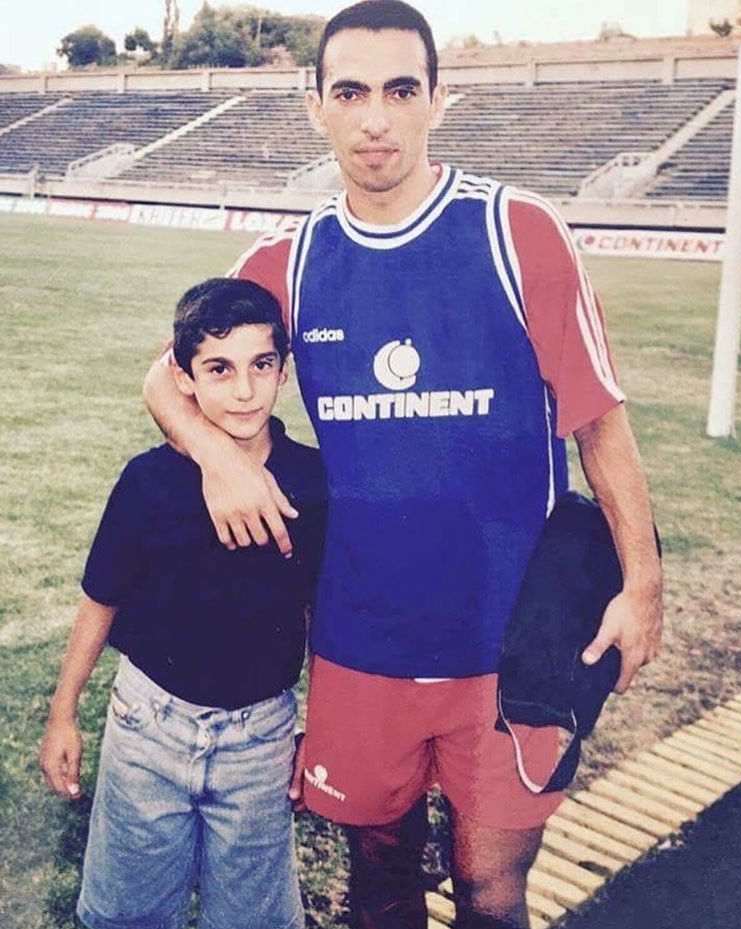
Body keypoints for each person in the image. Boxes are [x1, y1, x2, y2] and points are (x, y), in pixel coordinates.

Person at [143, 3, 663, 927]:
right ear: (317, 107)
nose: (375, 117)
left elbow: (599, 424)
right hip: (359, 643)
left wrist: (644, 585)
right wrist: (217, 458)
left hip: (508, 646)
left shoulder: (518, 233)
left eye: (399, 90)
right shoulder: (292, 259)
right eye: (350, 92)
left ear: (437, 99)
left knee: (491, 890)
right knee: (377, 886)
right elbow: (168, 374)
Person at [40, 278, 326, 929]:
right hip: (149, 725)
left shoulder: (312, 482)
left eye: (261, 365)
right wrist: (64, 713)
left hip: (261, 737)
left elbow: (323, 620)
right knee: (126, 911)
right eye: (219, 369)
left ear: (283, 370)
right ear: (184, 376)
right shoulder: (149, 481)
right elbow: (99, 597)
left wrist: (324, 728)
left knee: (253, 917)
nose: (245, 389)